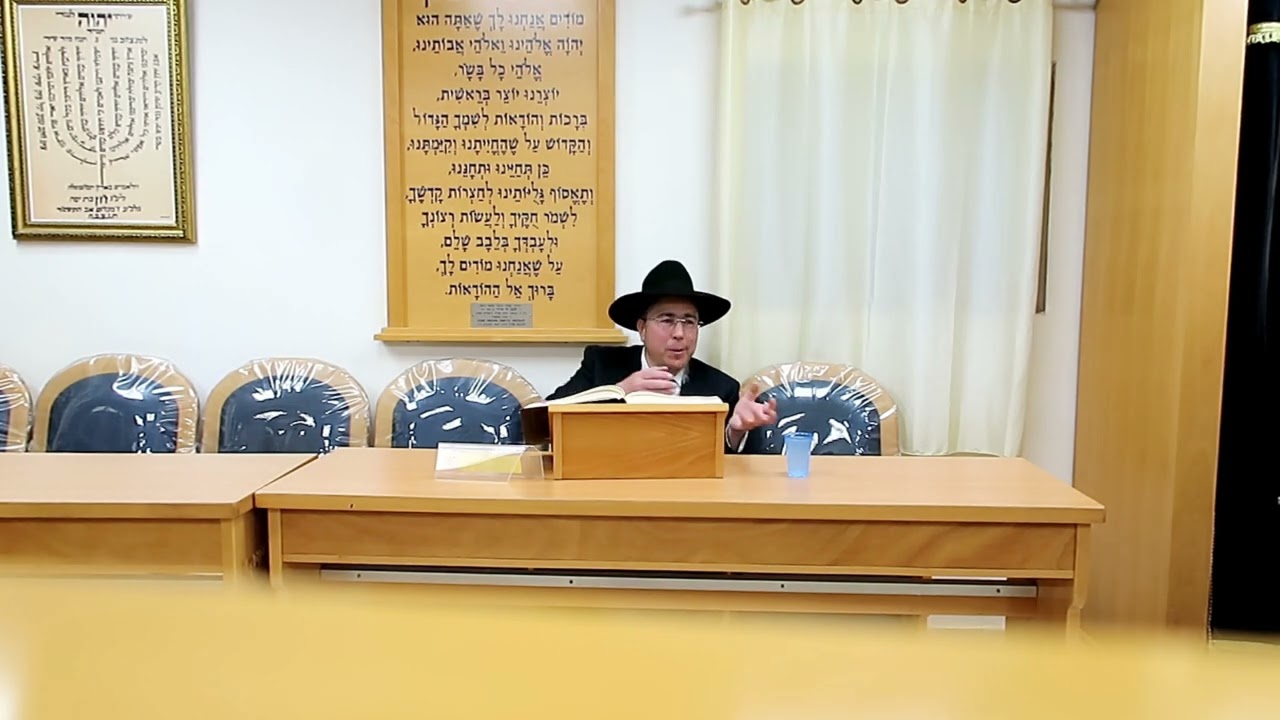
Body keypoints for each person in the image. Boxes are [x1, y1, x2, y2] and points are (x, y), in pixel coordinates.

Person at [547, 259, 777, 451]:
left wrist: (734, 431)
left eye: (689, 322)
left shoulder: (721, 388)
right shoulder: (602, 364)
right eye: (667, 320)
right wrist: (620, 392)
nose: (679, 334)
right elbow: (545, 420)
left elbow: (723, 460)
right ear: (642, 328)